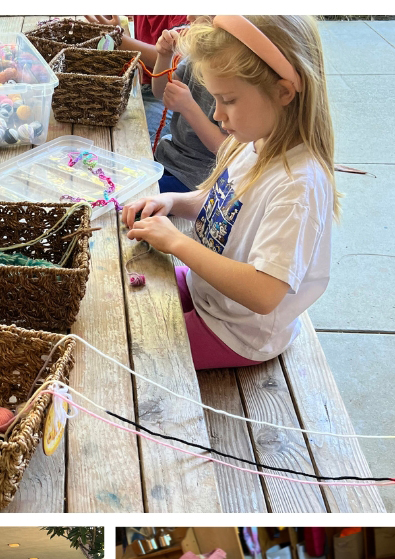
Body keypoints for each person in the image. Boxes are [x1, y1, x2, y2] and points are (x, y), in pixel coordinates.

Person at [122, 16, 336, 370]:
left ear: (284, 92)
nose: (217, 114)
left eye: (229, 100)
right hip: (209, 292)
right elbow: (219, 202)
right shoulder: (252, 140)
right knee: (122, 294)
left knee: (133, 350)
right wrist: (172, 202)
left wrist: (177, 243)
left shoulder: (297, 185)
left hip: (237, 332)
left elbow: (264, 293)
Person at [149, 24, 225, 193]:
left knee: (132, 198)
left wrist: (188, 107)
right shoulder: (197, 56)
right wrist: (164, 56)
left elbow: (226, 149)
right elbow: (161, 91)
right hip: (168, 156)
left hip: (198, 179)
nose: (189, 17)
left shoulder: (231, 77)